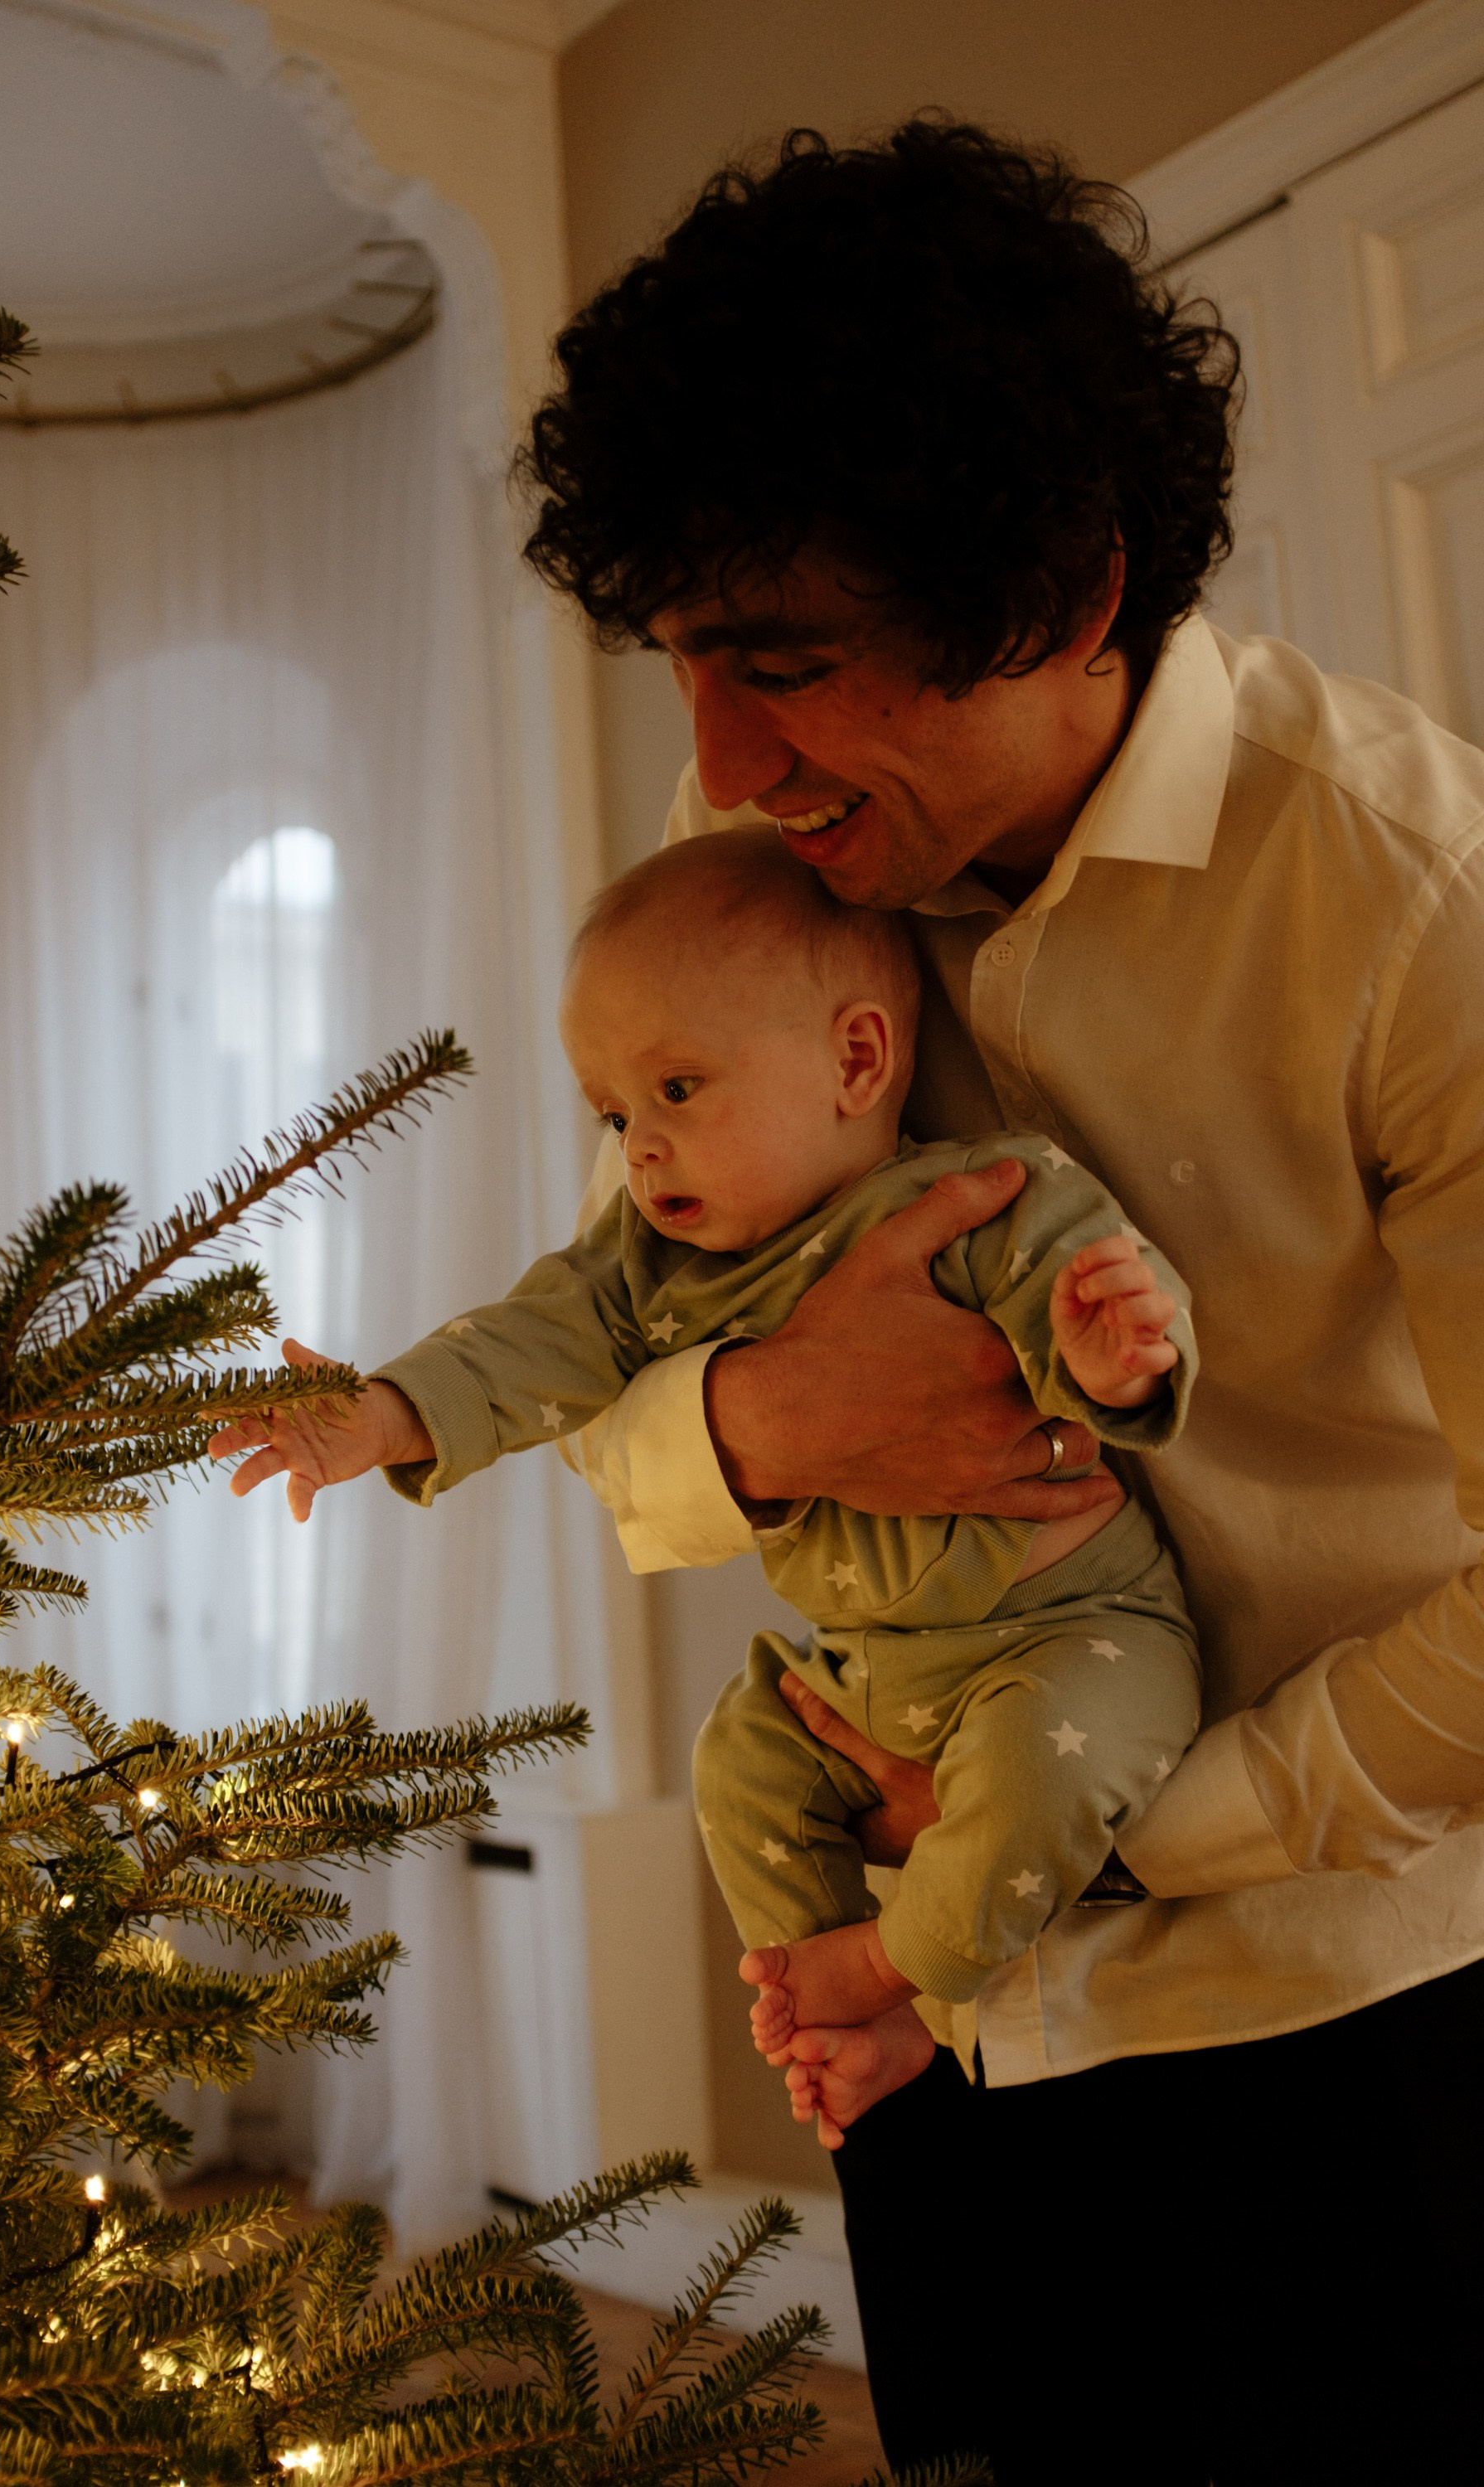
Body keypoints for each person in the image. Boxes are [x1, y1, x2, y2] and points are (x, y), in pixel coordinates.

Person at [503, 118, 1484, 2487]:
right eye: (683, 664)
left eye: (784, 665)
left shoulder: (1417, 903)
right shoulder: (759, 873)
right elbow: (621, 1365)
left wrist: (1134, 1830)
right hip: (936, 2004)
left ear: (1059, 589)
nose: (716, 766)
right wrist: (757, 1425)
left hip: (1356, 2003)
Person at [216, 829, 1200, 2051]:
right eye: (613, 1113)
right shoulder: (650, 1267)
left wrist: (1110, 1356)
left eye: (676, 1091)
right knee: (739, 1760)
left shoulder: (983, 1196)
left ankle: (888, 1972)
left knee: (1039, 1773)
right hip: (866, 1664)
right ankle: (836, 2017)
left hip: (1073, 1632)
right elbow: (525, 1343)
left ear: (855, 1059)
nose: (638, 1146)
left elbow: (1099, 1301)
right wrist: (379, 1415)